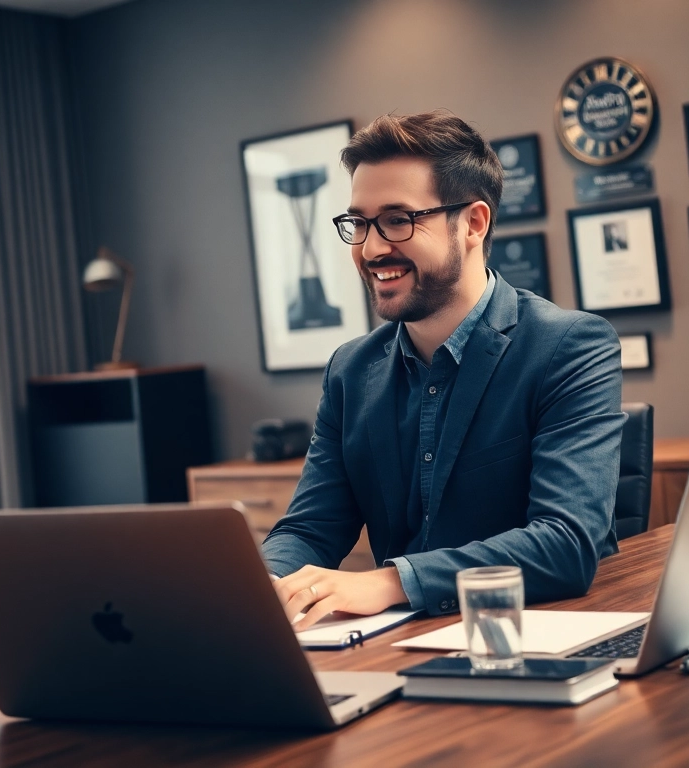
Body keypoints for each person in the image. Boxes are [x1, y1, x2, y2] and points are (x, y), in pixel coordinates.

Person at [263, 111, 626, 631]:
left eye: (397, 220)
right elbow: (309, 529)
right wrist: (263, 585)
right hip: (401, 642)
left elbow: (565, 543)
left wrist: (389, 583)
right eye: (359, 224)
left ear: (473, 223)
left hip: (538, 636)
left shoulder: (568, 346)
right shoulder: (350, 370)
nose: (370, 248)